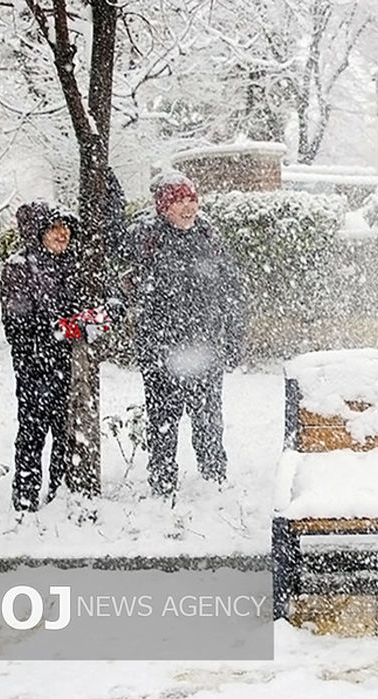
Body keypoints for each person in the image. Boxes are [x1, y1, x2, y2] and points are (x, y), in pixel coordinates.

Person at [114, 171, 245, 497]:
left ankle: (213, 478)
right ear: (163, 206)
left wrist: (234, 338)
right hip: (161, 350)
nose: (188, 208)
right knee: (163, 420)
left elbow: (231, 290)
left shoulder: (209, 235)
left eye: (192, 199)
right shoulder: (145, 237)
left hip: (205, 347)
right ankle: (162, 483)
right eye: (179, 201)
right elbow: (117, 271)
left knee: (209, 418)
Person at [1, 202, 79, 511]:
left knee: (65, 431)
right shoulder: (18, 268)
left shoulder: (73, 264)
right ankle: (25, 498)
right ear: (37, 233)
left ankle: (60, 493)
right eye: (54, 228)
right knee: (33, 432)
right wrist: (60, 329)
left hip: (69, 364)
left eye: (65, 227)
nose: (63, 234)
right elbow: (18, 323)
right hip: (34, 365)